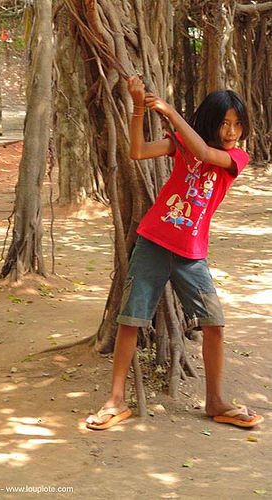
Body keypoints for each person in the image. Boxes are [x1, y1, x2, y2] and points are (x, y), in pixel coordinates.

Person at [86, 76, 264, 430]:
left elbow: (203, 153)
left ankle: (215, 401)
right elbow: (137, 152)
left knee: (213, 323)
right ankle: (116, 400)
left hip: (191, 253)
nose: (231, 131)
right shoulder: (180, 143)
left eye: (237, 124)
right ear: (211, 122)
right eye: (224, 123)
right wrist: (139, 108)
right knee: (131, 319)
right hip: (153, 241)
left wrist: (168, 110)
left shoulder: (236, 157)